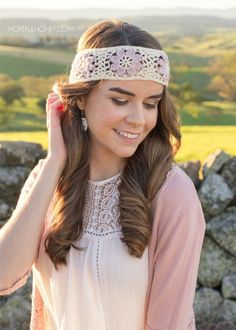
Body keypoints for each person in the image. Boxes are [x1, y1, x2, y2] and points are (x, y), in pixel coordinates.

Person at [0, 19, 206, 330]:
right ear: (80, 98)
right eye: (120, 100)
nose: (138, 119)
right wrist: (56, 161)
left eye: (151, 104)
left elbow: (170, 324)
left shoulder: (171, 192)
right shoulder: (46, 180)